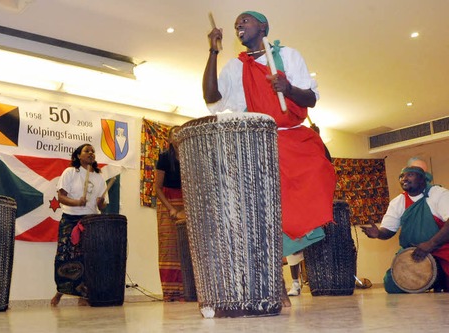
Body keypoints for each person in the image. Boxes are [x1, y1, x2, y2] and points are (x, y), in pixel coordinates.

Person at [203, 11, 337, 306]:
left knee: (317, 174)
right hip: (256, 142)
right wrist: (213, 52)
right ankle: (270, 279)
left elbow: (311, 99)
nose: (239, 24)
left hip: (291, 137)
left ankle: (286, 261)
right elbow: (212, 97)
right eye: (237, 22)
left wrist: (288, 89)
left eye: (246, 20)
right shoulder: (234, 67)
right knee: (261, 211)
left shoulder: (288, 55)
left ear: (263, 27)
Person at [361, 162, 449, 293]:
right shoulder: (398, 202)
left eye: (410, 175)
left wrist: (431, 244)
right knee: (391, 284)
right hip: (413, 253)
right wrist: (379, 234)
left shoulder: (439, 194)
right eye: (401, 176)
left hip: (441, 249)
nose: (404, 179)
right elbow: (389, 230)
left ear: (423, 179)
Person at [51, 143, 108, 306]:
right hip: (70, 219)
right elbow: (61, 197)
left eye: (93, 151)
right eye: (87, 151)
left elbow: (102, 206)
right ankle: (61, 291)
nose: (91, 153)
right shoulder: (70, 172)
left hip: (90, 221)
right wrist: (77, 202)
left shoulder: (98, 176)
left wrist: (101, 202)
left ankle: (84, 294)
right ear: (78, 156)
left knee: (88, 259)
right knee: (66, 257)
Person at [153, 126, 185, 301]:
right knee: (169, 249)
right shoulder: (164, 157)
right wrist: (171, 208)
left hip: (186, 204)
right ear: (170, 139)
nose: (178, 136)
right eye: (175, 134)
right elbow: (157, 188)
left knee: (187, 249)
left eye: (181, 133)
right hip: (168, 204)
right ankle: (171, 293)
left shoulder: (190, 156)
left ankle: (188, 291)